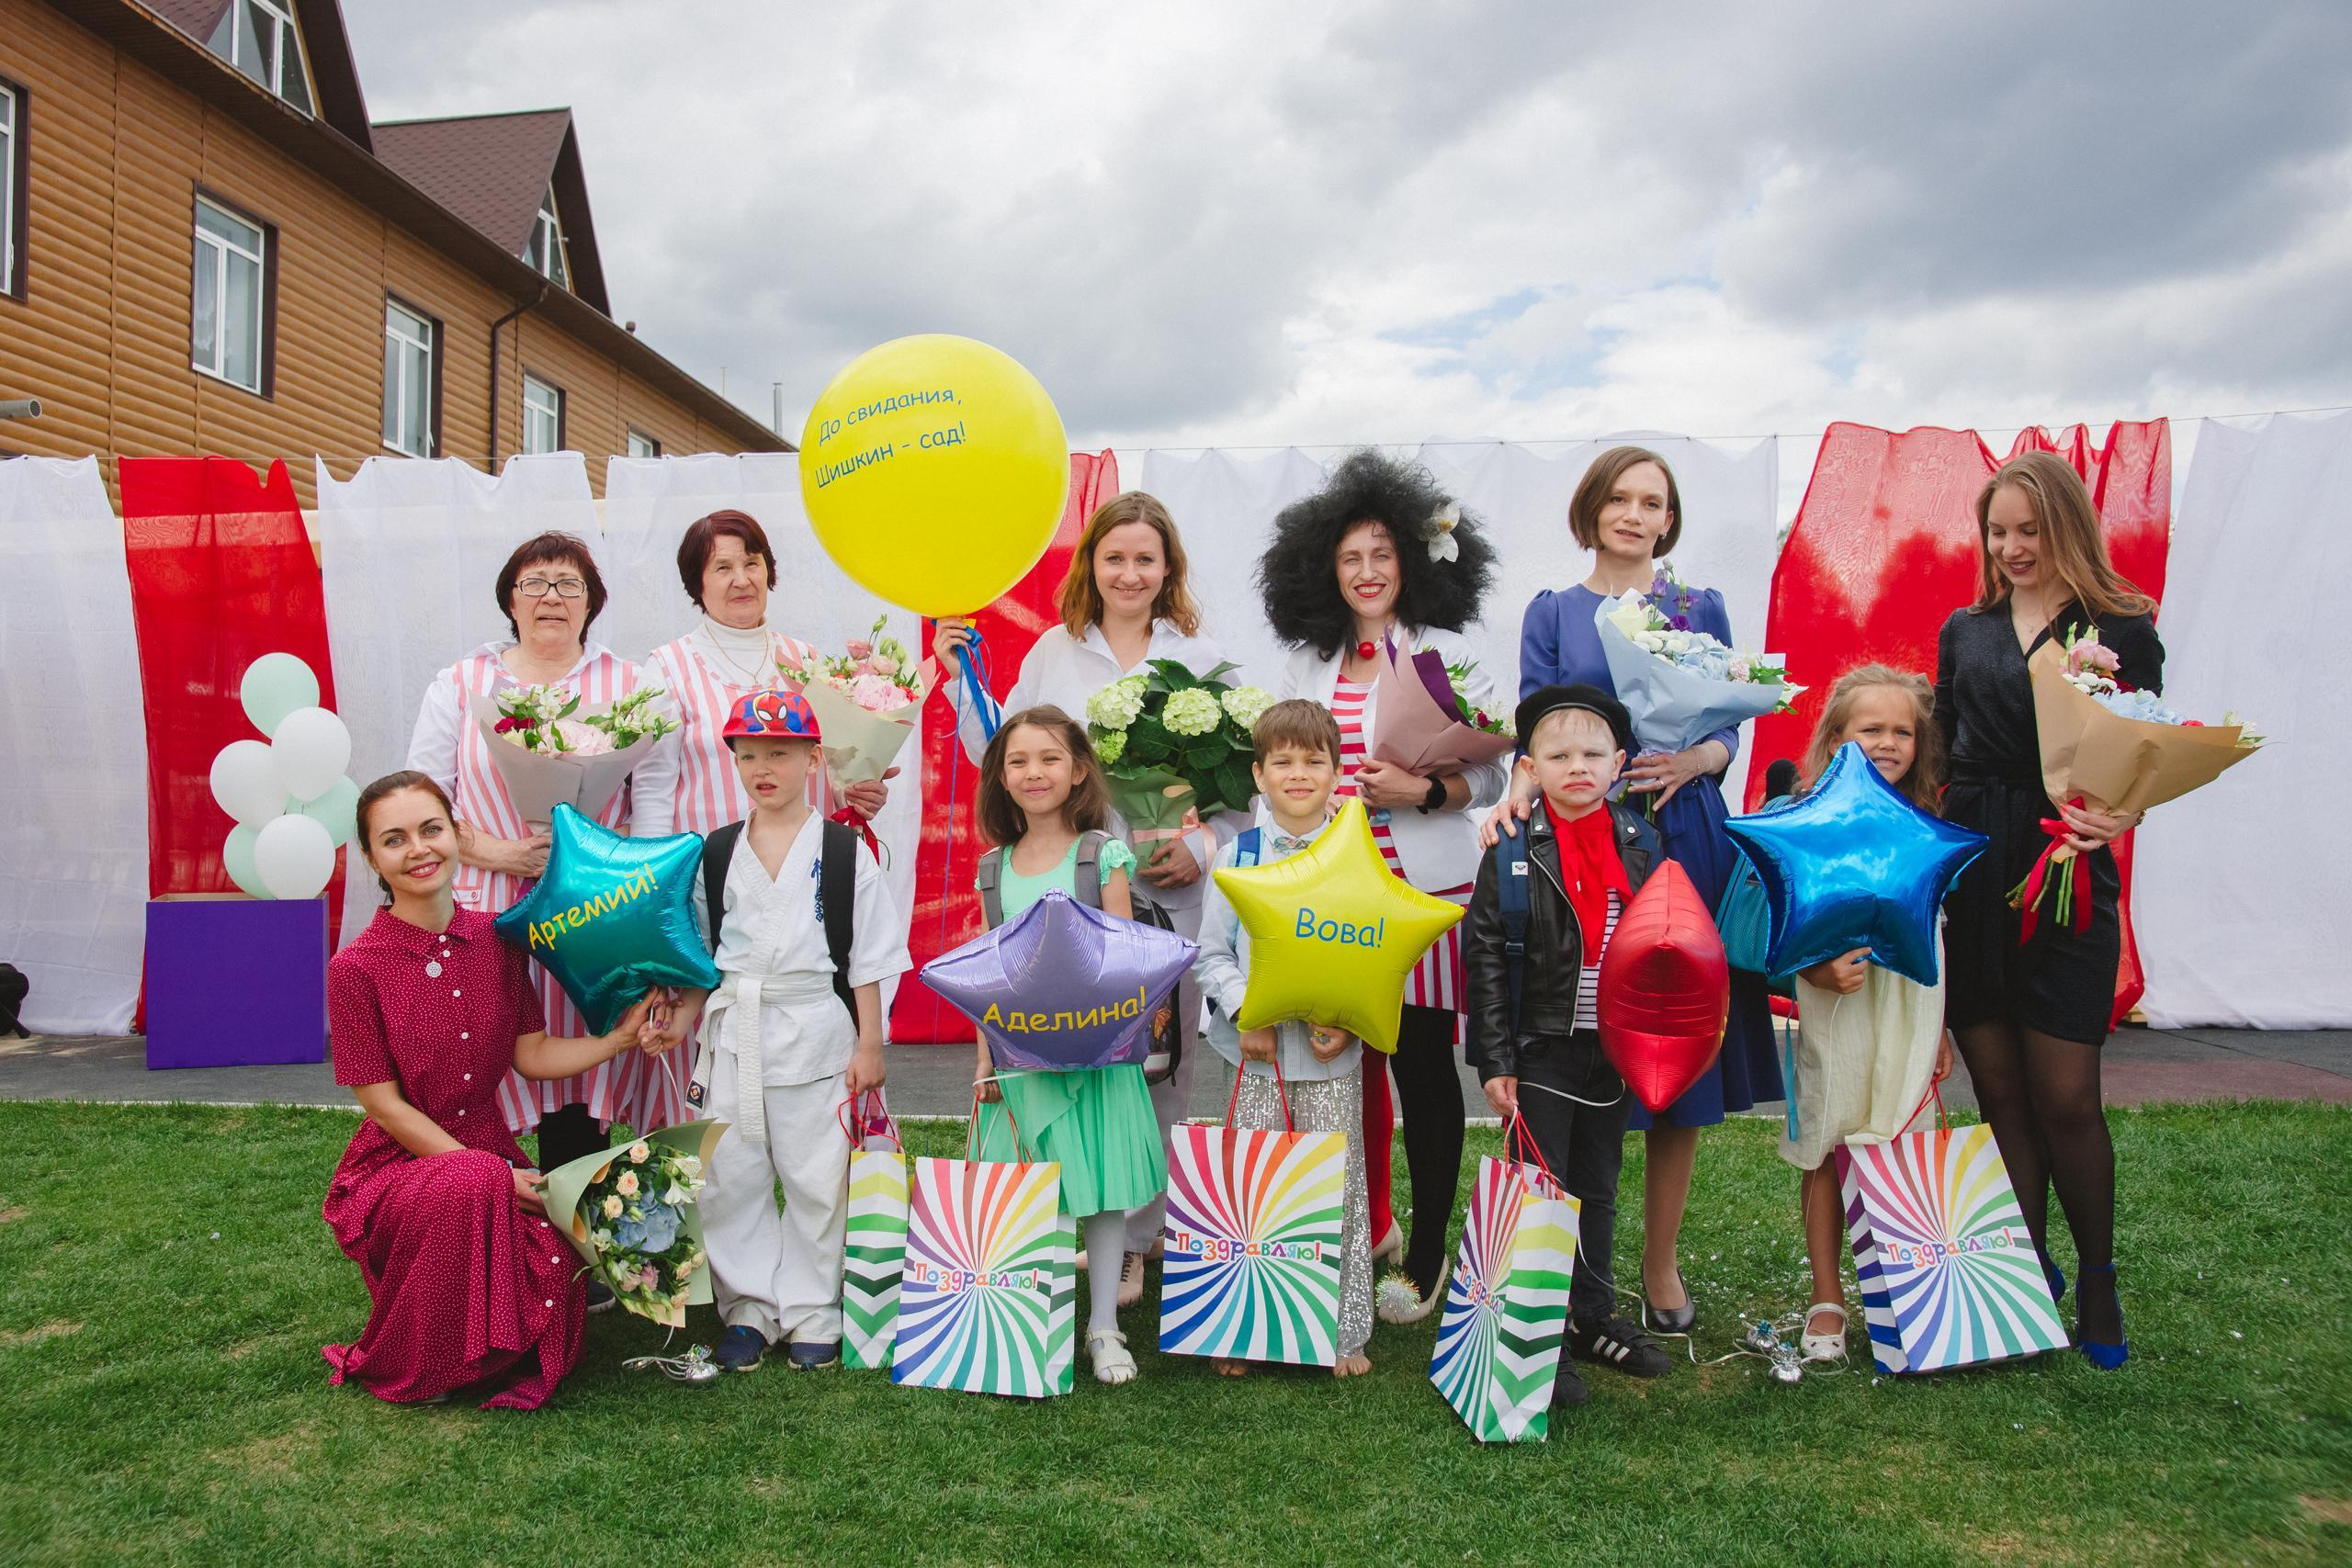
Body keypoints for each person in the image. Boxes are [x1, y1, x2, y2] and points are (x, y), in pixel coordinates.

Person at [1496, 445, 1780, 1334]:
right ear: (1591, 509)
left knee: (1674, 1049)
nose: (1633, 513)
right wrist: (1516, 785)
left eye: (1650, 501)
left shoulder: (1700, 607)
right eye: (1617, 497)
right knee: (1577, 1046)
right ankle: (1562, 1269)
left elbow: (1731, 723)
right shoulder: (1551, 611)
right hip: (1580, 837)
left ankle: (1657, 1266)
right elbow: (1534, 722)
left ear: (1669, 518)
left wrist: (1696, 757)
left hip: (1681, 828)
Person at [934, 491, 1225, 1306]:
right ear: (1090, 564)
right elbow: (1006, 750)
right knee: (1058, 1061)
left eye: (1145, 558)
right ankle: (1082, 1232)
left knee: (1159, 1066)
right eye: (1114, 557)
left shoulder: (1203, 658)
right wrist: (962, 683)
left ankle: (1141, 1234)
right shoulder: (1052, 655)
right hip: (1060, 881)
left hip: (1164, 892)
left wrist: (1196, 846)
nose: (1129, 573)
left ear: (1168, 568)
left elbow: (1241, 783)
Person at [1256, 450, 1504, 1324]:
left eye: (1382, 555)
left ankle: (1429, 1246)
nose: (1366, 572)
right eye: (1350, 557)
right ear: (1326, 568)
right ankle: (1351, 1234)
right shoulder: (1304, 667)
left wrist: (1425, 790)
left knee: (1425, 1071)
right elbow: (1276, 771)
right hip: (1333, 893)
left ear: (1411, 562)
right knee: (1336, 1065)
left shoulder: (1446, 655)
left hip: (1428, 893)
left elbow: (1497, 779)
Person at [322, 771, 657, 1409]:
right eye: (394, 839)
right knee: (475, 1181)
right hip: (399, 1166)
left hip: (489, 1149)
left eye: (430, 829)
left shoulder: (499, 941)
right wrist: (488, 1174)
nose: (418, 849)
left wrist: (616, 1041)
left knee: (561, 1255)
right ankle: (422, 1360)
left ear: (455, 834)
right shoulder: (354, 968)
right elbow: (380, 1102)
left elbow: (531, 1055)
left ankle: (484, 1351)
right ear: (372, 858)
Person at [1937, 451, 2159, 1371]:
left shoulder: (2121, 624)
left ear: (2063, 525)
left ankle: (2097, 1276)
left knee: (2066, 1096)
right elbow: (1944, 744)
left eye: (2029, 530)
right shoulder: (1965, 627)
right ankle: (2024, 1283)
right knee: (1999, 1096)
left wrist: (2115, 811)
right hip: (1978, 864)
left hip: (2067, 861)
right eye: (1998, 531)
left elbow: (2145, 748)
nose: (2012, 547)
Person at [405, 532, 677, 1259]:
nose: (552, 597)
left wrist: (619, 877)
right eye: (535, 583)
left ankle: (577, 1261)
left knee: (581, 1077)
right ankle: (488, 1248)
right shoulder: (462, 684)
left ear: (592, 604)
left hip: (593, 915)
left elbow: (653, 804)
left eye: (569, 584)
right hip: (483, 910)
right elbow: (420, 801)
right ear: (509, 599)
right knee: (479, 1077)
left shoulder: (633, 683)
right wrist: (500, 852)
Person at [634, 690, 907, 1374]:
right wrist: (685, 1020)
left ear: (813, 759)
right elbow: (706, 956)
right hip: (733, 1033)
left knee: (817, 1176)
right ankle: (750, 1307)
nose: (764, 767)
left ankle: (814, 1308)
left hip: (816, 1029)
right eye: (748, 754)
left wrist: (870, 1044)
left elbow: (869, 956)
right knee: (731, 1175)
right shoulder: (720, 850)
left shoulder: (845, 851)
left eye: (780, 753)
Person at [1464, 687, 1672, 1410]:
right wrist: (1497, 1059)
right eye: (1558, 755)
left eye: (1592, 754)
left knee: (1598, 1183)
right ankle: (1535, 1332)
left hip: (1610, 1046)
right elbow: (1486, 954)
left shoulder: (1642, 842)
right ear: (1530, 767)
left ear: (1619, 763)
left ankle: (1592, 1314)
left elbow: (1662, 941)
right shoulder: (1512, 845)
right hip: (1543, 1046)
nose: (1577, 767)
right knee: (1541, 1192)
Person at [967, 705, 1169, 1384]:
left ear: (1079, 769)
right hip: (1021, 1062)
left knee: (1102, 1188)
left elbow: (1123, 956)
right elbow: (984, 971)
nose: (1034, 772)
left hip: (1095, 1056)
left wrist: (1099, 1026)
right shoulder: (992, 867)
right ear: (1000, 774)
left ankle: (1104, 1324)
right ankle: (1039, 1314)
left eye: (1050, 758)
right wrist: (985, 1056)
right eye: (1018, 760)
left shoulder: (1100, 853)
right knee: (1037, 1185)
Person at [1775, 666, 1956, 1363]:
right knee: (1828, 1134)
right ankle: (1828, 1296)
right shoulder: (1804, 815)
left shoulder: (1931, 821)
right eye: (1870, 728)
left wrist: (1947, 1026)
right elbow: (1777, 918)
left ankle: (1911, 1288)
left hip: (1911, 1000)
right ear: (1837, 734)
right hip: (1837, 996)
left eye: (1902, 731)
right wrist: (1814, 967)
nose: (1887, 742)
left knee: (1901, 1127)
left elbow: (1942, 931)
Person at [1193, 699, 1374, 1379]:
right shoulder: (1238, 855)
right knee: (1252, 1185)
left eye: (1313, 761)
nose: (1299, 774)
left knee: (1339, 1182)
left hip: (1331, 1056)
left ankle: (1342, 1331)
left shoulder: (1355, 851)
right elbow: (1211, 954)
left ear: (1336, 773)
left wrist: (1345, 1020)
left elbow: (1373, 946)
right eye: (1284, 762)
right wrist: (1251, 1013)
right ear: (1259, 775)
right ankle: (1242, 1326)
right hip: (1256, 1056)